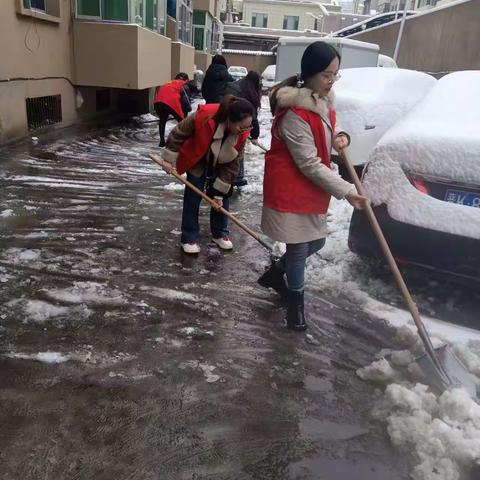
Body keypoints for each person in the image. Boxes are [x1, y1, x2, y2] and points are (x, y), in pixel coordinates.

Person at [258, 41, 368, 332]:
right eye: (327, 75)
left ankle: (275, 274)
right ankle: (296, 308)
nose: (332, 81)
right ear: (309, 74)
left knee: (316, 241)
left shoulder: (321, 99)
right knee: (298, 248)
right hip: (292, 188)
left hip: (309, 189)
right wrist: (346, 190)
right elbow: (308, 163)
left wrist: (340, 135)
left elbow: (329, 123)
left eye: (335, 75)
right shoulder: (294, 113)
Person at [161, 95, 255, 254]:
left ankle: (220, 234)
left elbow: (233, 164)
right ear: (229, 120)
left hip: (223, 162)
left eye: (248, 127)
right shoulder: (205, 116)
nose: (245, 131)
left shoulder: (242, 133)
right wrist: (169, 158)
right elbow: (178, 133)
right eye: (241, 127)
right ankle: (188, 237)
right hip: (198, 157)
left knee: (222, 198)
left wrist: (218, 194)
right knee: (193, 195)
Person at [224, 71, 262, 187]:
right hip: (239, 123)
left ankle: (225, 177)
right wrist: (255, 135)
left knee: (228, 148)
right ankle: (238, 177)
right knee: (238, 148)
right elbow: (252, 116)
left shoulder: (236, 85)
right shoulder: (250, 92)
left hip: (227, 119)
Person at [154, 73, 192, 147]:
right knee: (182, 122)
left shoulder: (167, 83)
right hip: (171, 102)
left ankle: (162, 141)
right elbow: (185, 100)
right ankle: (182, 141)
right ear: (186, 80)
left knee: (162, 120)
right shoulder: (183, 84)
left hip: (158, 102)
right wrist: (186, 111)